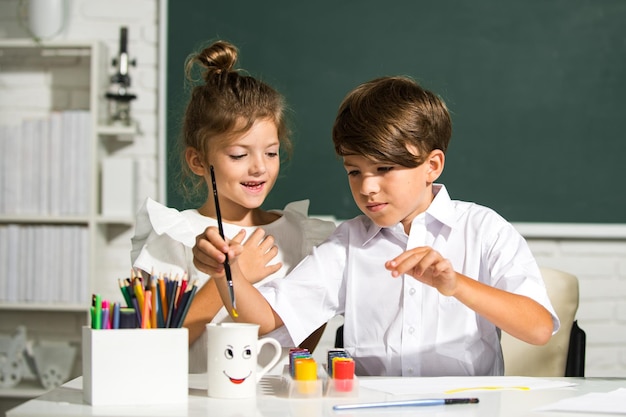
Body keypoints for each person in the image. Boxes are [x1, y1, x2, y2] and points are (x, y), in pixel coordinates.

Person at [192, 75, 560, 377]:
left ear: (432, 166)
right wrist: (229, 273)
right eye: (354, 171)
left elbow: (539, 327)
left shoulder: (483, 229)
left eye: (384, 169)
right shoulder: (348, 243)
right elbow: (268, 321)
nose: (367, 187)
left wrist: (455, 284)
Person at [130, 40, 336, 373]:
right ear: (198, 161)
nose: (259, 168)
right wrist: (226, 279)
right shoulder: (173, 237)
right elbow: (151, 350)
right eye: (239, 155)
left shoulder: (302, 236)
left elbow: (302, 348)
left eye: (271, 153)